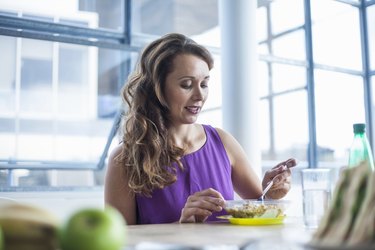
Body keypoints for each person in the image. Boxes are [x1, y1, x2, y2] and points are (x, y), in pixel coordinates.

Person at [104, 33, 297, 225]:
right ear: (157, 88)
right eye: (186, 85)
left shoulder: (223, 141)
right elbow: (119, 241)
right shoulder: (124, 160)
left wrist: (271, 193)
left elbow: (259, 209)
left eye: (204, 84)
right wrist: (181, 226)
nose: (199, 95)